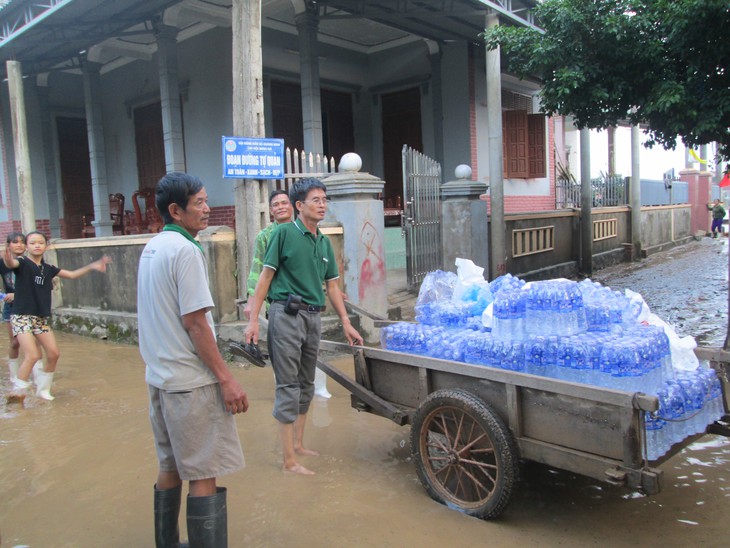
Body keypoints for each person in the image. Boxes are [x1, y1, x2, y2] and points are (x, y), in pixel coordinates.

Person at [137, 172, 248, 548]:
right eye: (199, 202)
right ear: (176, 210)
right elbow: (196, 323)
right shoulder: (185, 251)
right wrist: (227, 379)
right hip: (191, 382)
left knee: (169, 466)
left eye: (205, 200)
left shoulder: (153, 247)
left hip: (160, 378)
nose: (207, 208)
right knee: (204, 471)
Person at [244, 177, 363, 476]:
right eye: (316, 200)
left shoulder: (323, 242)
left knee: (307, 382)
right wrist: (253, 322)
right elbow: (265, 277)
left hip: (313, 317)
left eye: (324, 199)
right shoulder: (283, 234)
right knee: (288, 385)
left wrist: (346, 323)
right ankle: (288, 461)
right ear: (299, 206)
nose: (322, 205)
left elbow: (333, 287)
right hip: (286, 314)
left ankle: (298, 445)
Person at [3, 231, 111, 404]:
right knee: (32, 355)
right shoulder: (23, 263)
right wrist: (7, 256)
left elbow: (72, 275)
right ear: (27, 247)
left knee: (53, 354)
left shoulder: (48, 269)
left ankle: (43, 390)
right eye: (32, 243)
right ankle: (17, 393)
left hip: (40, 318)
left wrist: (93, 266)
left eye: (40, 242)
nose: (37, 245)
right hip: (21, 316)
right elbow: (11, 263)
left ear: (46, 245)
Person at [242, 189, 294, 320]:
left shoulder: (302, 233)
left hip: (304, 303)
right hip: (278, 303)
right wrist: (251, 302)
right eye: (276, 205)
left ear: (292, 206)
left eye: (284, 203)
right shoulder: (265, 236)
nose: (281, 207)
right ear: (271, 211)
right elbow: (257, 269)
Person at [1, 232, 25, 382]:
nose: (19, 245)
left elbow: (39, 287)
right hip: (11, 307)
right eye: (15, 242)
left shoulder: (30, 262)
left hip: (30, 307)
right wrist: (3, 296)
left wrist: (17, 295)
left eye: (22, 242)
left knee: (34, 344)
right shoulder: (2, 264)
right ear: (8, 245)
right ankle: (14, 377)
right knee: (15, 342)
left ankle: (37, 377)